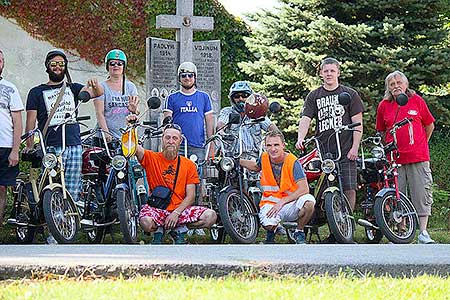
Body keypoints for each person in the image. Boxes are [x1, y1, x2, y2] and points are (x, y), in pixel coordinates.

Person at [25, 49, 103, 218]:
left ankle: (69, 223)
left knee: (72, 188)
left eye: (61, 64)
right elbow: (30, 121)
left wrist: (95, 85)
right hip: (51, 146)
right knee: (51, 187)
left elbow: (96, 93)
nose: (58, 67)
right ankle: (53, 224)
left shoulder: (73, 88)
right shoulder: (36, 92)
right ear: (47, 66)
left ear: (66, 67)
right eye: (54, 64)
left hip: (74, 145)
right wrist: (30, 146)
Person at [296, 58, 364, 243]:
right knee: (326, 190)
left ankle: (345, 228)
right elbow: (306, 118)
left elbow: (358, 122)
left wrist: (355, 147)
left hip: (346, 149)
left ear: (338, 73)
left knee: (349, 188)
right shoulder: (314, 96)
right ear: (321, 73)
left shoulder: (349, 94)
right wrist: (301, 137)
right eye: (325, 71)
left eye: (332, 71)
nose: (329, 74)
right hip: (324, 151)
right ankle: (332, 228)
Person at [376, 70, 435, 244]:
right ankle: (402, 231)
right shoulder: (384, 106)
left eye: (399, 83)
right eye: (392, 84)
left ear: (406, 84)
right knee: (397, 195)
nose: (396, 86)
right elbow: (380, 130)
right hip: (394, 159)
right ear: (388, 87)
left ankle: (423, 232)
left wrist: (421, 143)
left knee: (421, 194)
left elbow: (429, 125)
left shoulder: (417, 101)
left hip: (418, 157)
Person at [135, 121, 217, 244]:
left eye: (175, 138)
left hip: (180, 209)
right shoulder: (150, 158)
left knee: (210, 216)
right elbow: (132, 146)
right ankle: (159, 230)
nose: (171, 141)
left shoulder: (188, 164)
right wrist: (131, 124)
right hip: (157, 209)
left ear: (180, 141)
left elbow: (191, 196)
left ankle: (179, 230)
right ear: (162, 140)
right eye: (167, 137)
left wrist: (176, 213)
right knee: (145, 222)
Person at [240, 130, 315, 244]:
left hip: (292, 203)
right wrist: (237, 161)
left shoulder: (292, 161)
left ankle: (299, 231)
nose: (273, 149)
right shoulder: (264, 157)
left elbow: (304, 189)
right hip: (272, 203)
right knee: (268, 225)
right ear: (265, 147)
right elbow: (255, 167)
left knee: (309, 202)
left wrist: (283, 201)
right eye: (269, 145)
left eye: (276, 145)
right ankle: (272, 231)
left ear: (283, 146)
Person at [163, 62, 214, 162]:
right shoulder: (171, 98)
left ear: (195, 77)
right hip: (177, 146)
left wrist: (211, 146)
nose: (187, 78)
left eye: (190, 75)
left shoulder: (204, 97)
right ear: (179, 78)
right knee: (175, 175)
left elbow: (209, 122)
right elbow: (166, 124)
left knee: (196, 176)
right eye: (183, 75)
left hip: (198, 145)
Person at [217, 81, 278, 159]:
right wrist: (221, 131)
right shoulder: (227, 111)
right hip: (233, 157)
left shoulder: (257, 111)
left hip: (255, 156)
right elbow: (221, 123)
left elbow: (270, 126)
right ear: (232, 98)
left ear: (250, 97)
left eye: (244, 96)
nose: (241, 99)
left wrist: (276, 135)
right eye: (236, 96)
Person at [93, 49, 139, 141]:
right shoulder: (102, 87)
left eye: (119, 64)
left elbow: (137, 112)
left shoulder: (130, 86)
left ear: (124, 66)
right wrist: (106, 134)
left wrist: (134, 110)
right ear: (107, 66)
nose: (116, 66)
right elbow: (99, 113)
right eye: (112, 63)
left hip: (126, 135)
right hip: (104, 138)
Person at [0, 49, 23, 228]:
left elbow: (17, 121)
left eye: (0, 61)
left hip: (5, 146)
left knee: (1, 189)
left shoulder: (10, 88)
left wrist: (15, 150)